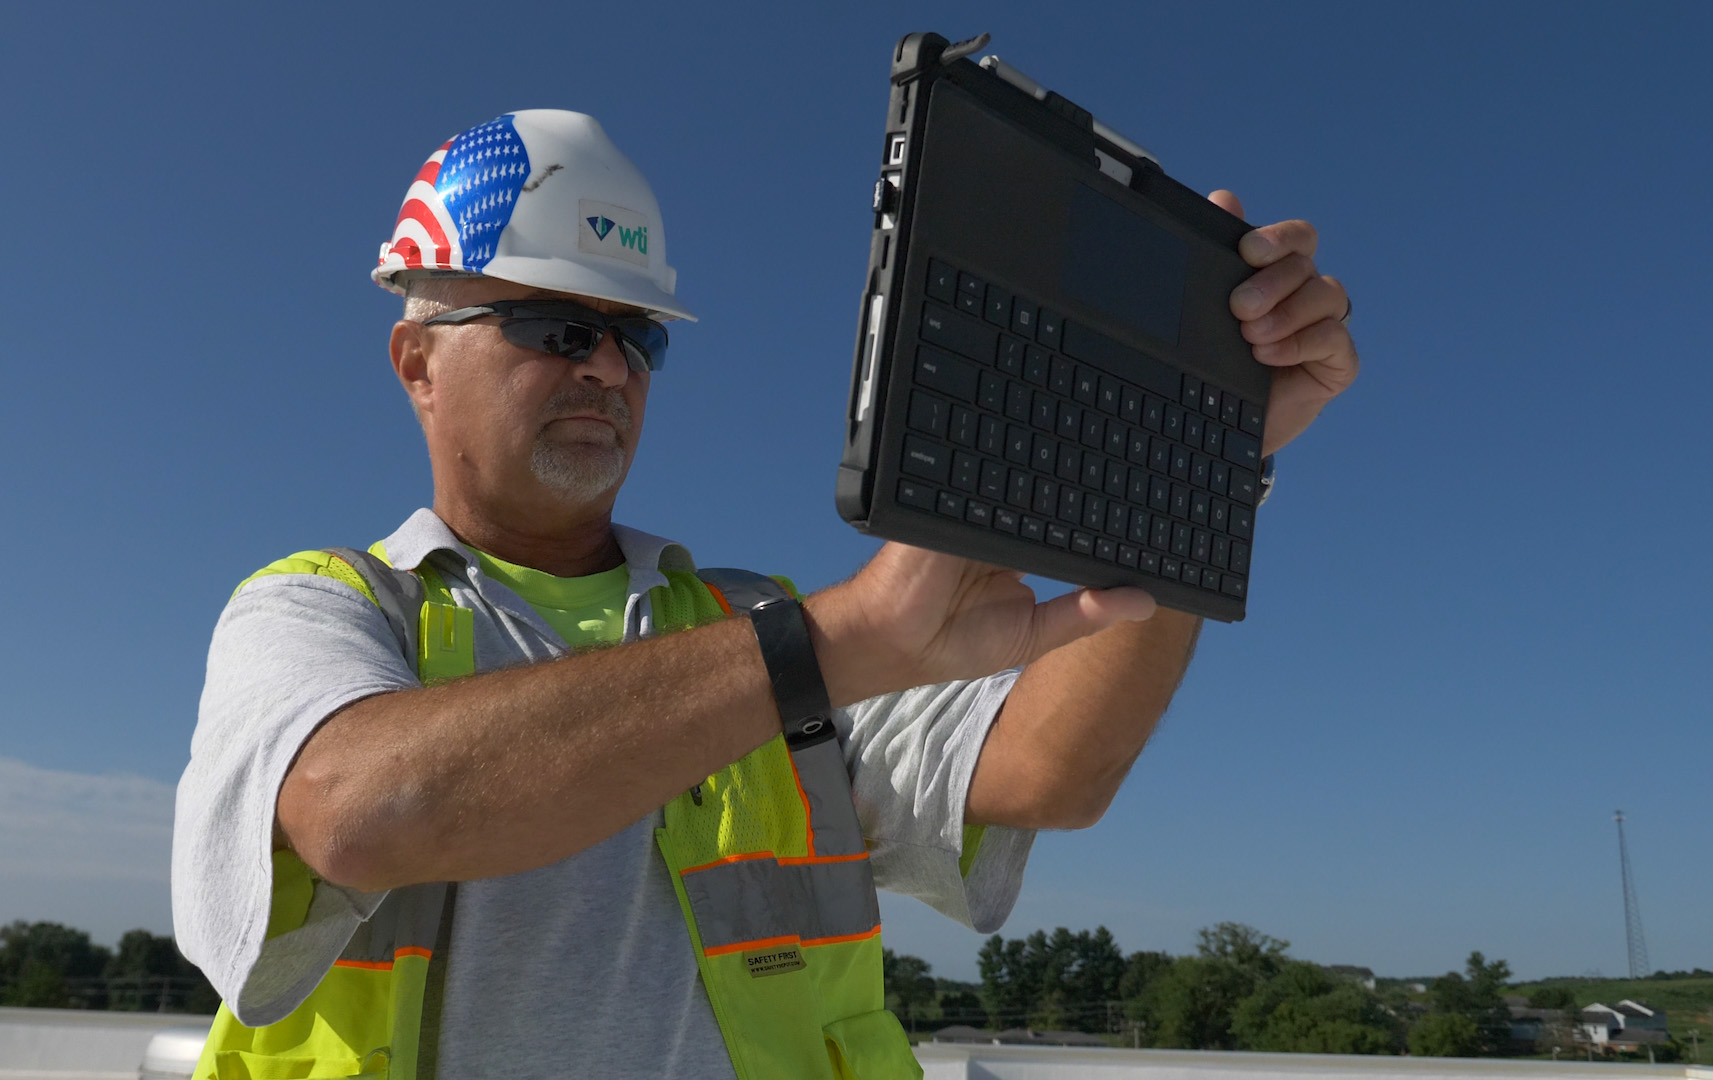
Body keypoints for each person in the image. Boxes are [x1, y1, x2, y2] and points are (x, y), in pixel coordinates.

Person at [173, 109, 1357, 1079]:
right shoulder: (327, 609)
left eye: (640, 340)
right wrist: (842, 641)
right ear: (417, 359)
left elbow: (1054, 770)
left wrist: (1213, 462)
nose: (606, 367)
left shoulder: (756, 630)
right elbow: (365, 810)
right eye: (556, 325)